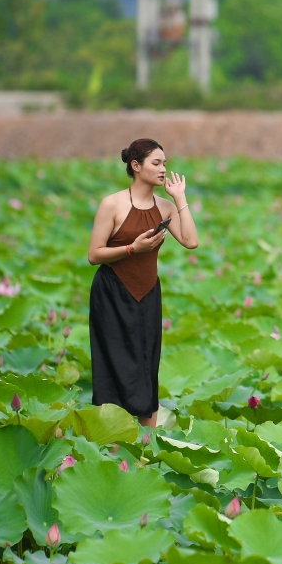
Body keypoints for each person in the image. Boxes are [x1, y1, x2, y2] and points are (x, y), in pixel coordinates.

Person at [86, 139, 199, 426]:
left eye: (164, 163)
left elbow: (191, 241)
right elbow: (94, 255)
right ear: (136, 166)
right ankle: (111, 443)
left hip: (147, 294)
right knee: (114, 365)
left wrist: (180, 199)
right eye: (156, 163)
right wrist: (131, 250)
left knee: (147, 364)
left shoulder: (164, 207)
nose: (163, 170)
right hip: (111, 293)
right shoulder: (112, 204)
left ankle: (146, 448)